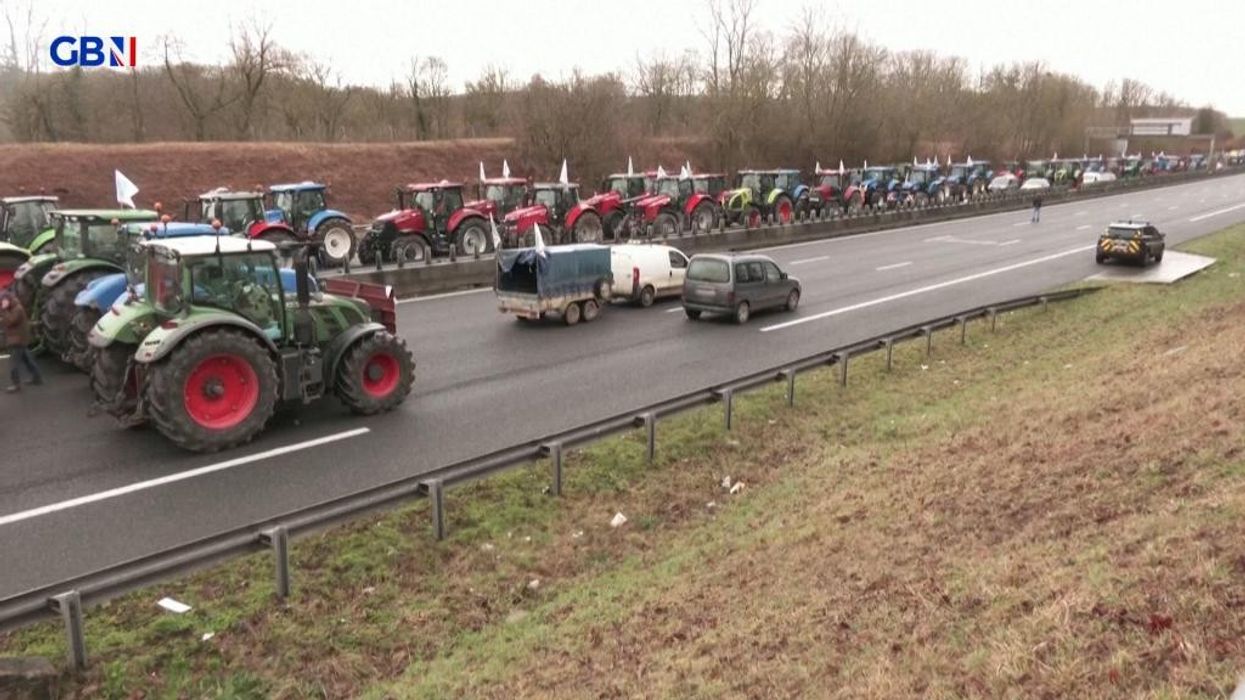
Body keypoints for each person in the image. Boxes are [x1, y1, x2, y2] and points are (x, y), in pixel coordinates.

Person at [1, 291, 42, 392]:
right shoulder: (12, 308)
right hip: (18, 338)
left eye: (3, 301)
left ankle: (16, 385)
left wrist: (4, 310)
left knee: (14, 364)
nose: (2, 303)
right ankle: (37, 378)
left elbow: (10, 321)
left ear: (8, 300)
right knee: (27, 359)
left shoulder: (17, 309)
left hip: (17, 339)